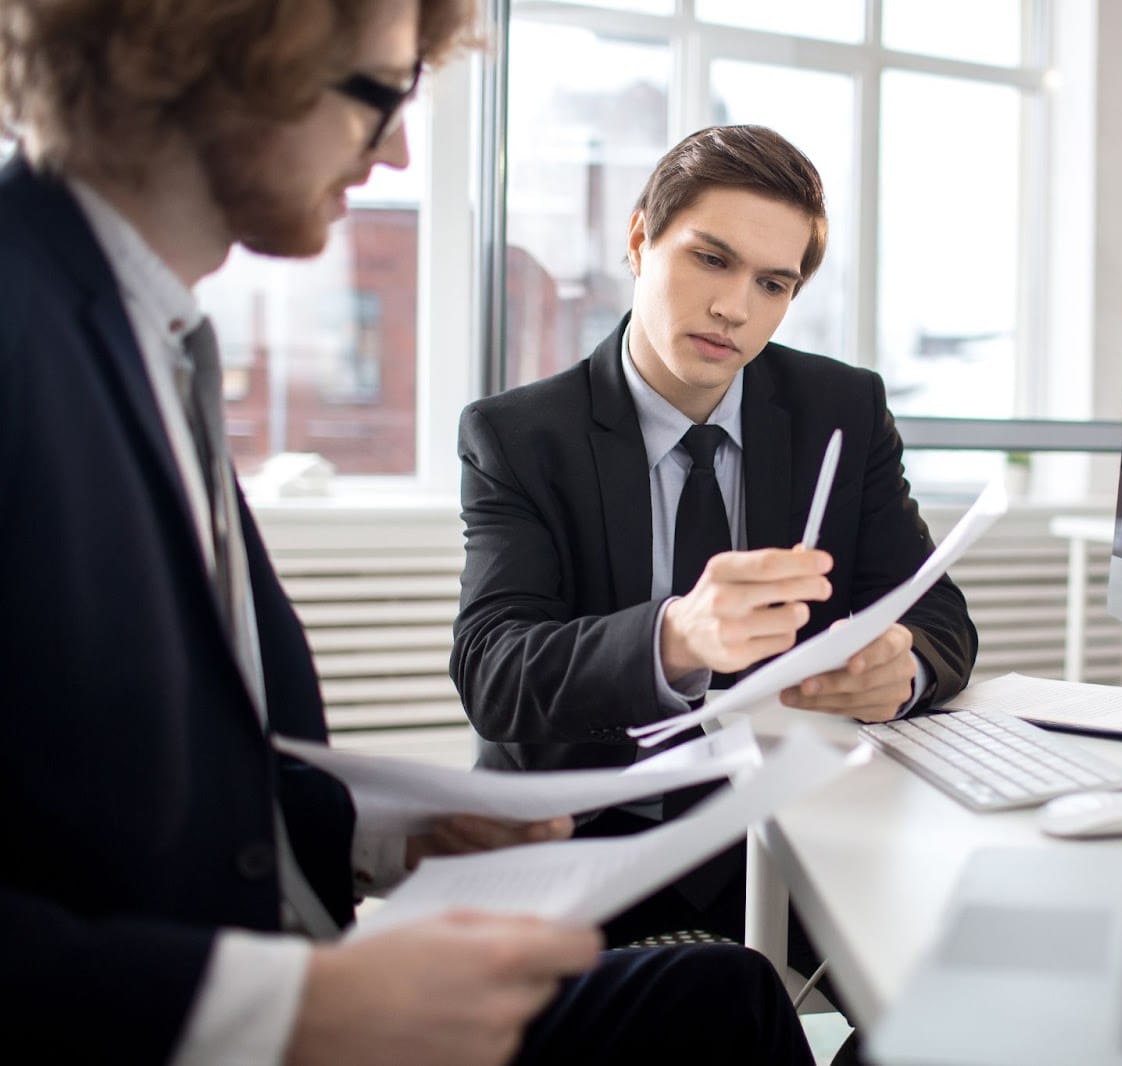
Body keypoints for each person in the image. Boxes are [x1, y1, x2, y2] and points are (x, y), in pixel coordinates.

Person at [0, 2, 810, 1063]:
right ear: (197, 52)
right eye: (376, 95)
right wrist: (288, 1011)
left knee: (723, 994)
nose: (400, 150)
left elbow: (152, 761)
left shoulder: (153, 332)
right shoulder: (25, 328)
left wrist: (386, 832)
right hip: (181, 1017)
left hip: (292, 957)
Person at [450, 124, 979, 944]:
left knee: (956, 982)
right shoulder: (520, 436)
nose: (736, 307)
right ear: (639, 240)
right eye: (711, 259)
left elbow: (938, 614)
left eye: (773, 283)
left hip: (790, 828)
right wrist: (675, 638)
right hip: (591, 840)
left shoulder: (841, 411)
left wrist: (900, 667)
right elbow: (493, 669)